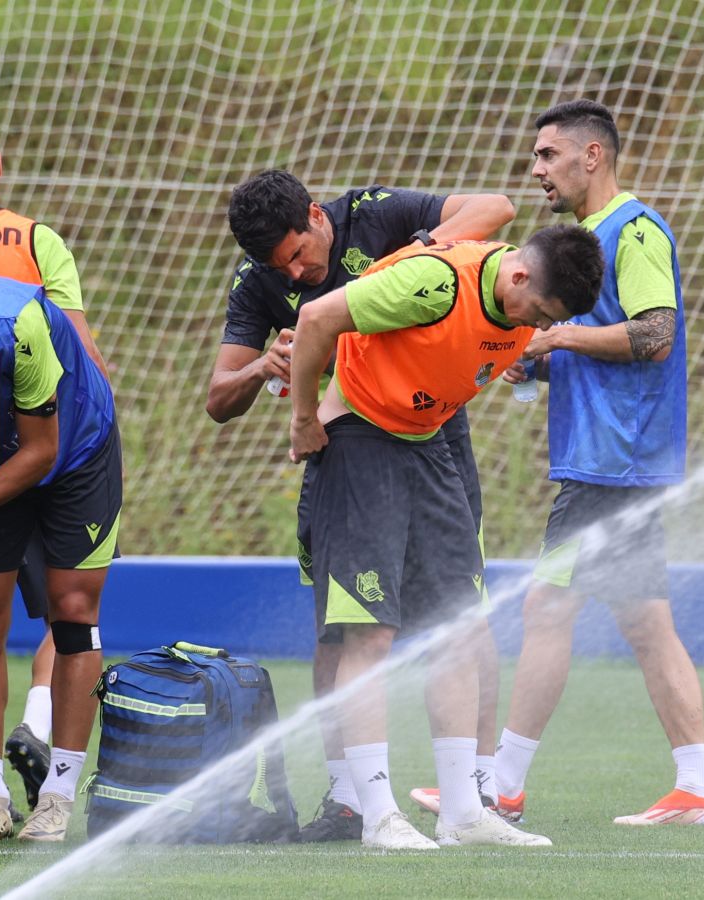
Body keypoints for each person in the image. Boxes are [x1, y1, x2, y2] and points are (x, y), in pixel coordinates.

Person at [213, 169, 514, 840]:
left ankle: (476, 794)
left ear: (318, 217)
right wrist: (265, 367)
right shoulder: (260, 283)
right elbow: (217, 399)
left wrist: (407, 263)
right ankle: (354, 800)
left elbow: (495, 207)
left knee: (460, 615)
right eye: (277, 267)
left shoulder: (375, 215)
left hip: (435, 430)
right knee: (346, 625)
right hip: (346, 442)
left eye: (296, 255)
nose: (293, 275)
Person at [288, 225, 604, 849]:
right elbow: (318, 316)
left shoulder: (521, 312)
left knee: (458, 627)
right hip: (360, 440)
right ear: (518, 277)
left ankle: (462, 811)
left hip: (428, 443)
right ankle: (377, 815)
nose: (536, 329)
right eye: (539, 313)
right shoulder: (435, 284)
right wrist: (303, 417)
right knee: (371, 631)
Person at [495, 99, 704, 827]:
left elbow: (655, 335)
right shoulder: (585, 239)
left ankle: (498, 785)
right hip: (610, 463)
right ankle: (697, 788)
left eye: (546, 155)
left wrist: (556, 340)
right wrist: (536, 364)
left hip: (614, 464)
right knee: (646, 625)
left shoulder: (635, 230)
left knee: (545, 607)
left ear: (590, 157)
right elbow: (601, 348)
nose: (536, 169)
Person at [0, 110, 113, 818]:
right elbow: (81, 349)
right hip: (63, 441)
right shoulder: (36, 238)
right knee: (72, 616)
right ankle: (52, 798)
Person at [0, 275, 119, 844]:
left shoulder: (13, 323)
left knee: (72, 614)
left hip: (75, 451)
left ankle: (58, 795)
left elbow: (40, 451)